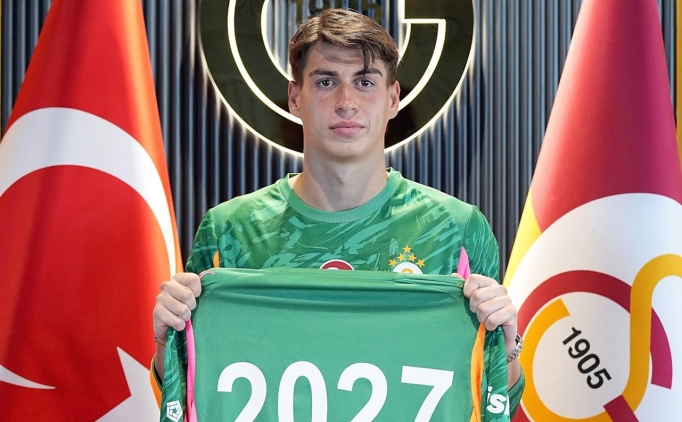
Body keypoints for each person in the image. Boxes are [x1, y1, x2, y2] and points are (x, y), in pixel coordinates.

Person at [152, 6, 524, 413]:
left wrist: (506, 347)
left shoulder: (457, 229)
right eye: (326, 81)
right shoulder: (230, 230)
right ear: (295, 97)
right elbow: (192, 393)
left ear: (393, 98)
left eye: (365, 82)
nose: (346, 102)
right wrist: (167, 339)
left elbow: (492, 399)